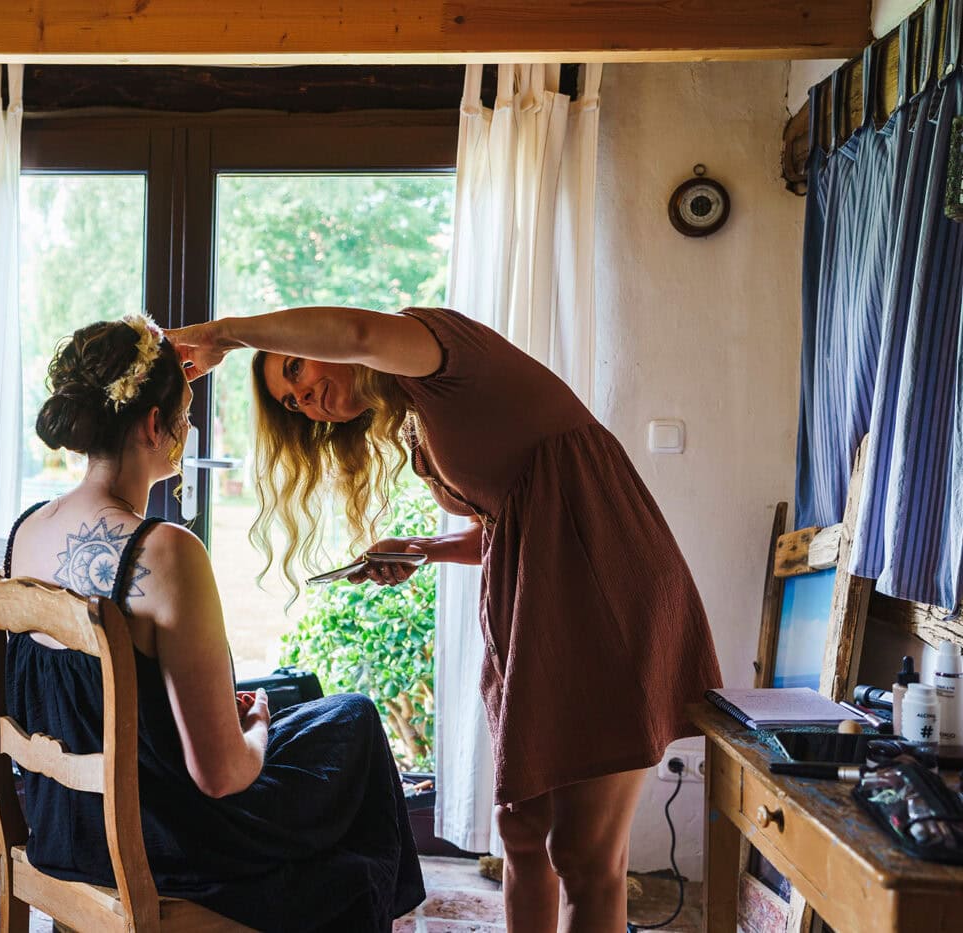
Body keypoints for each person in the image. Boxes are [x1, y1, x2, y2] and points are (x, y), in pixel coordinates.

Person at [167, 306, 723, 932]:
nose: (304, 396)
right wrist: (424, 550)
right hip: (540, 606)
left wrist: (223, 335)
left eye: (296, 368)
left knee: (583, 852)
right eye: (293, 403)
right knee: (519, 831)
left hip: (608, 595)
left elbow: (361, 335)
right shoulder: (414, 419)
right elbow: (513, 524)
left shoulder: (440, 351)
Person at [2, 313, 426, 933]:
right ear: (154, 424)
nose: (190, 425)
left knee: (302, 694)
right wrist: (251, 725)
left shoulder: (26, 531)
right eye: (186, 411)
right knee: (355, 720)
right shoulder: (165, 553)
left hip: (65, 831)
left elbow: (98, 698)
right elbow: (221, 775)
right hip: (165, 845)